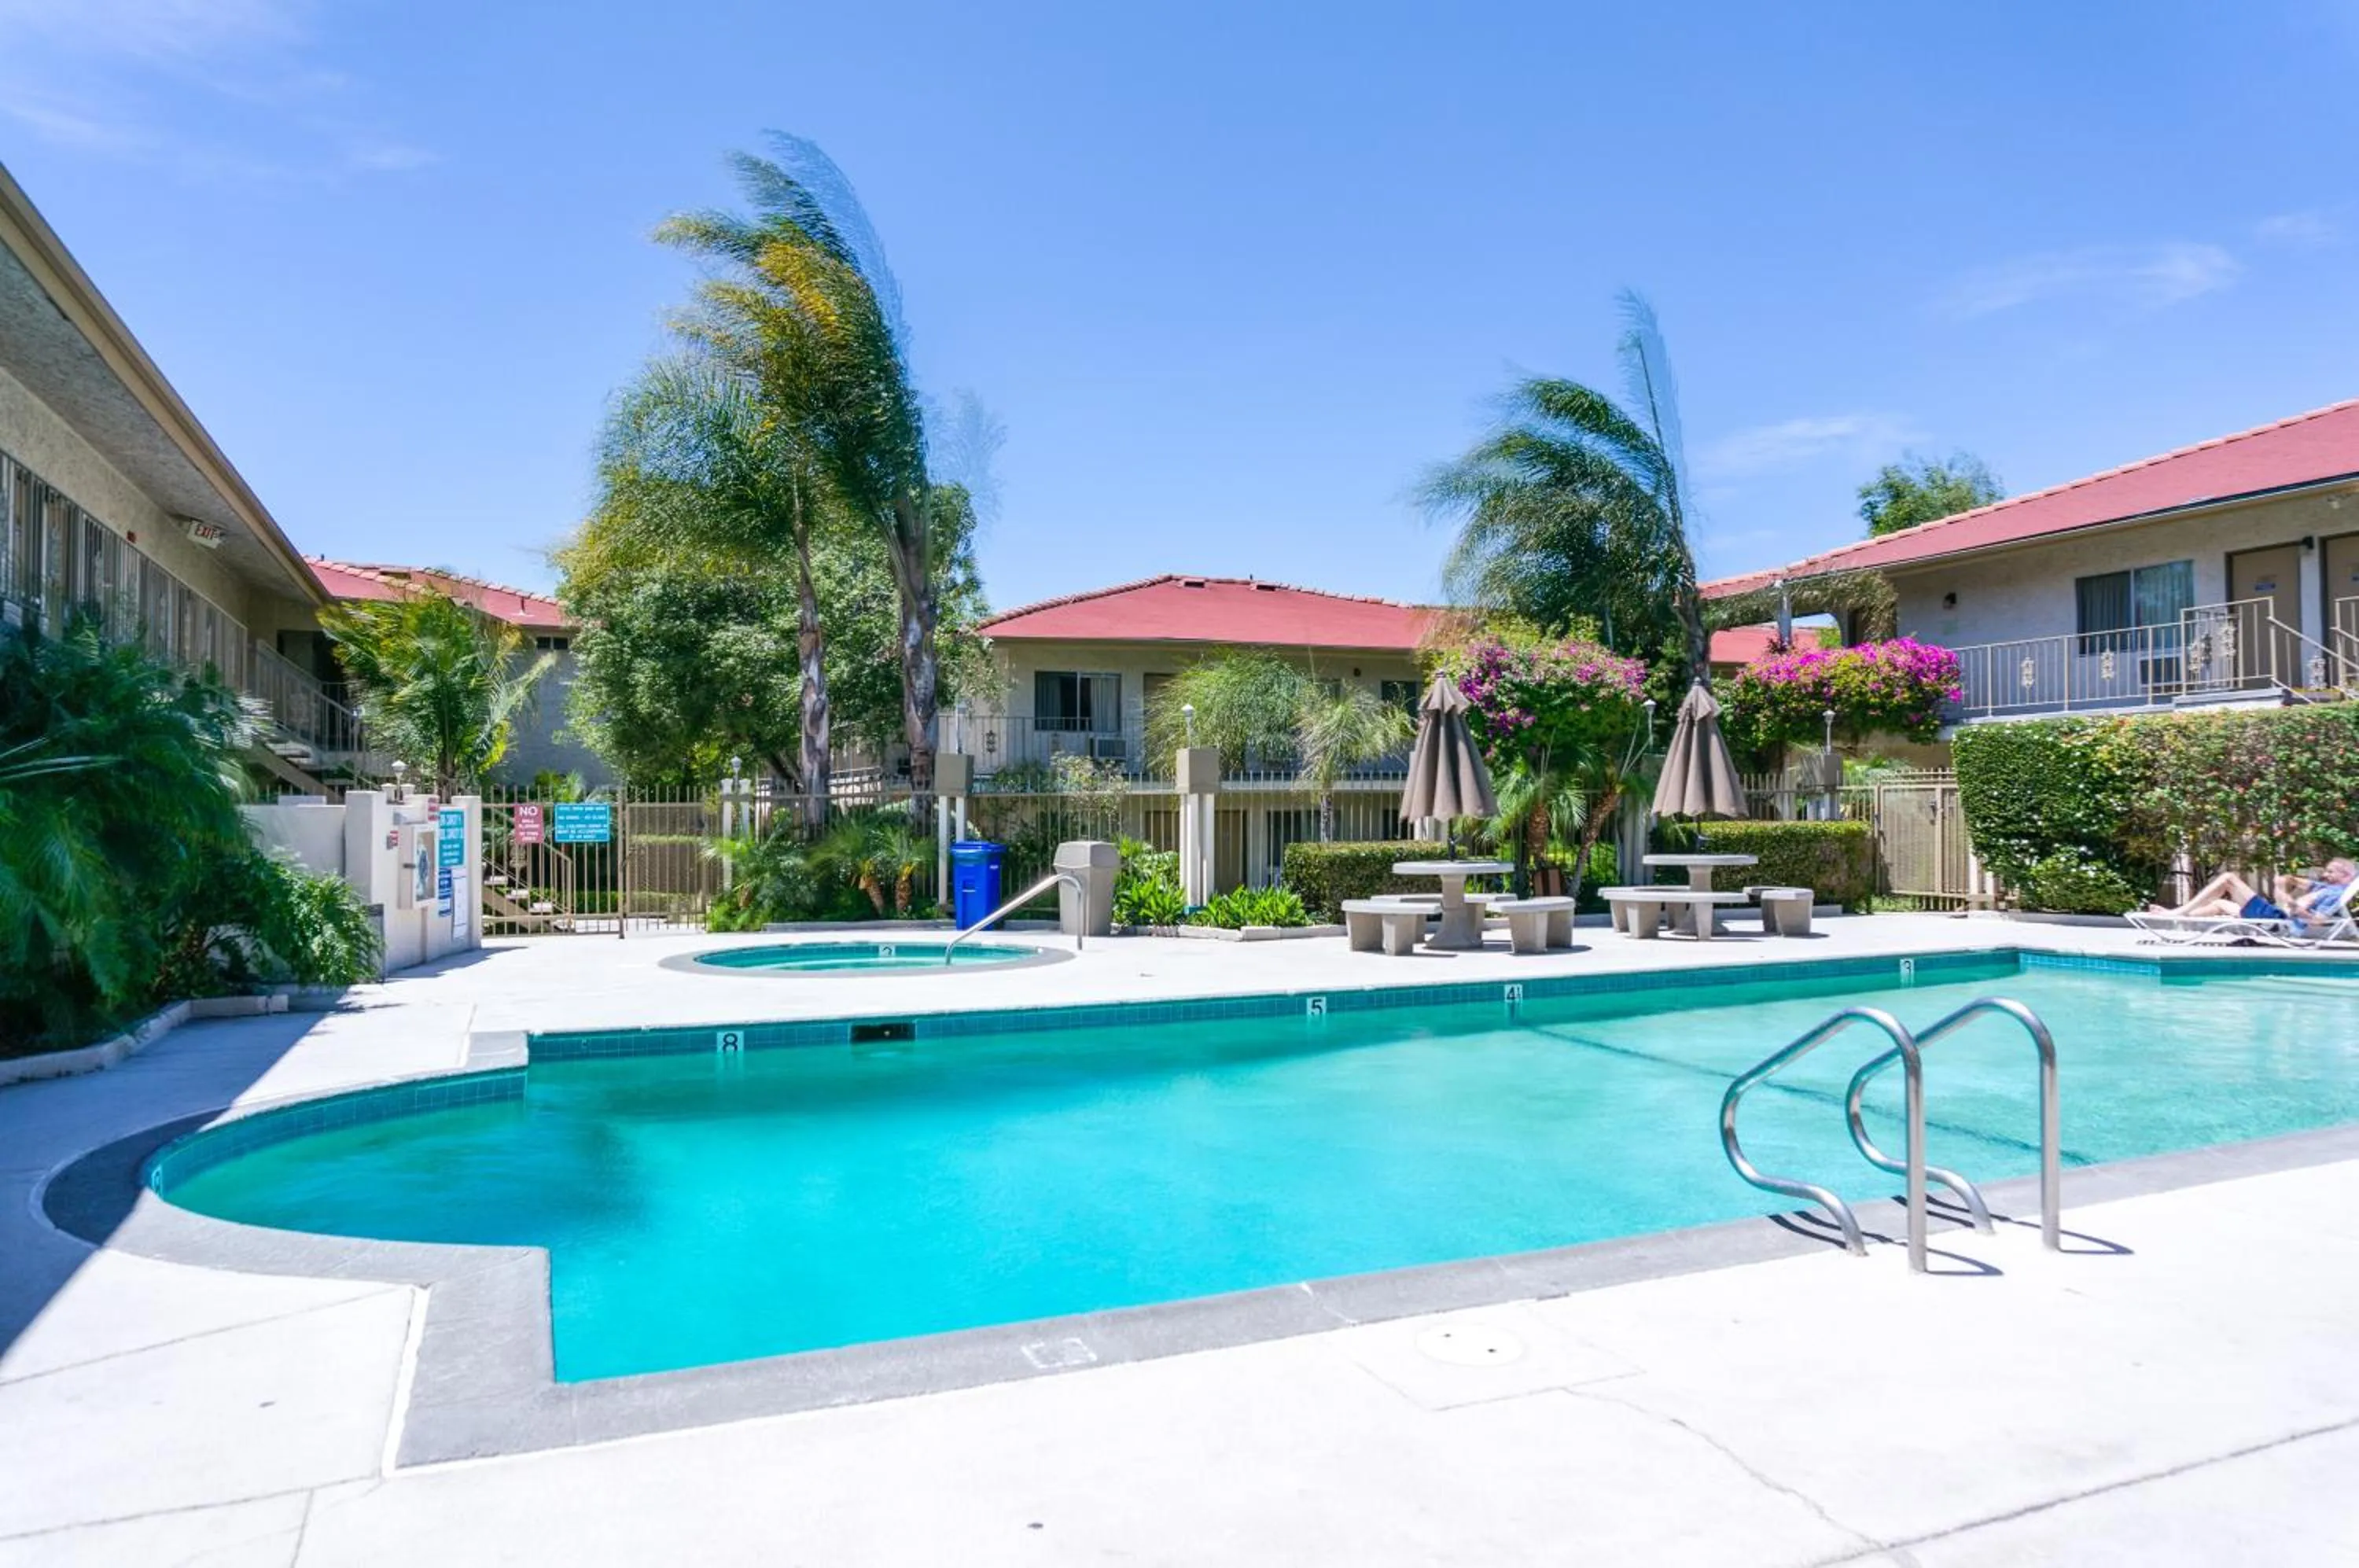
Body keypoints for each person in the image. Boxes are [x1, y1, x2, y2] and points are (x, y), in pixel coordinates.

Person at [2151, 859, 2355, 930]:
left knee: (2229, 878)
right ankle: (2183, 920)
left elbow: (2318, 921)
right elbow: (2296, 880)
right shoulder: (2324, 887)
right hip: (2274, 913)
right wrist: (2288, 880)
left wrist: (2291, 904)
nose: (2325, 875)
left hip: (2276, 919)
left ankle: (2177, 913)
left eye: (2331, 872)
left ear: (2344, 876)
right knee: (2221, 903)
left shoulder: (2335, 895)